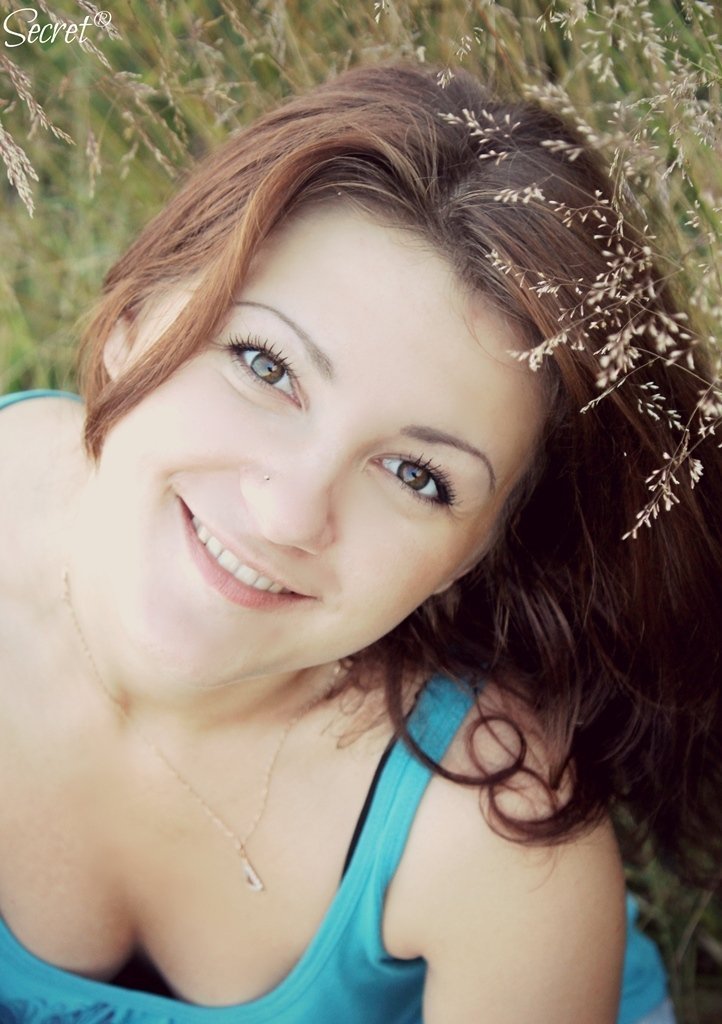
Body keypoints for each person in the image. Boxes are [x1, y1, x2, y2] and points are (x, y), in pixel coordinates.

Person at [1, 62, 719, 1023]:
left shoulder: (491, 836)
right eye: (266, 366)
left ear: (477, 551)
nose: (288, 514)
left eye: (417, 476)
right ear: (133, 316)